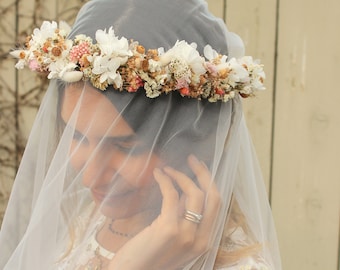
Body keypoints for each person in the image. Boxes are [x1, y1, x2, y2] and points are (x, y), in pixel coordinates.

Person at [0, 0, 281, 269]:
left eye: (125, 147)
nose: (89, 178)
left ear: (196, 140)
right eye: (78, 137)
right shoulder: (79, 221)